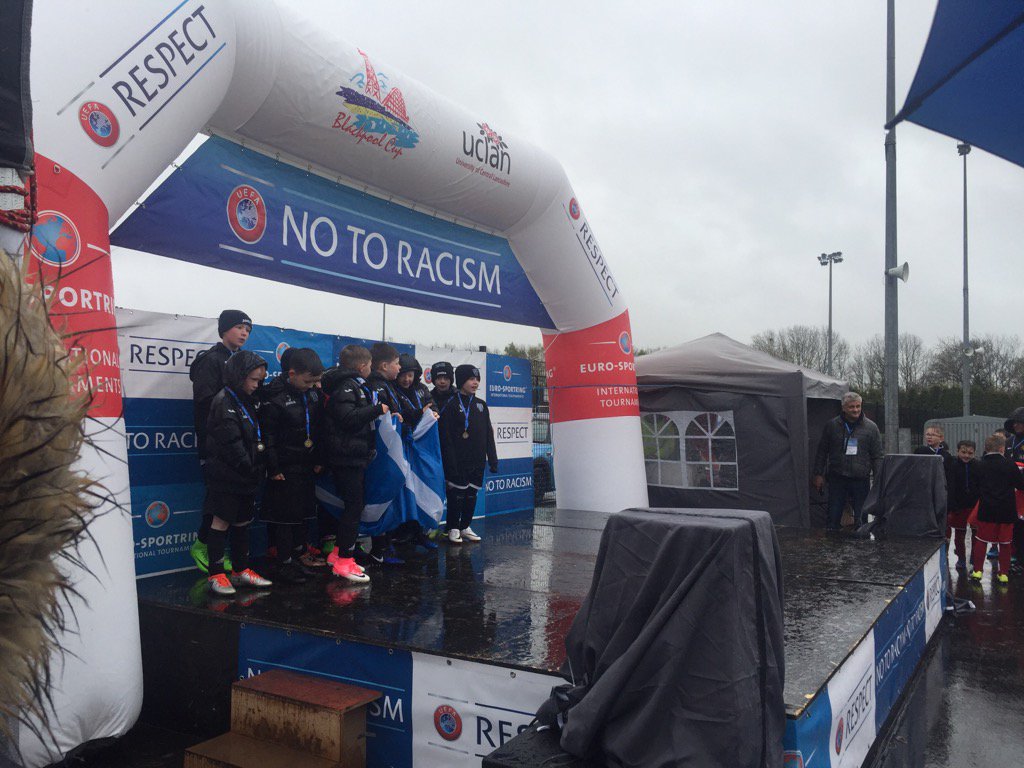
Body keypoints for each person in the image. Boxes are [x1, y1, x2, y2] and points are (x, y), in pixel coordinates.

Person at [202, 351, 273, 595]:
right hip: (227, 475)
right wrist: (250, 467)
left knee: (243, 520)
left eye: (259, 380)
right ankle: (216, 574)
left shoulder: (248, 399)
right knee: (221, 521)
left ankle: (241, 570)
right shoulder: (224, 401)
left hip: (247, 475)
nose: (256, 385)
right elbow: (231, 443)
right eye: (253, 380)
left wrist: (256, 468)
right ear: (238, 375)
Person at [189, 309, 252, 573]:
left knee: (233, 504)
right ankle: (202, 546)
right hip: (215, 444)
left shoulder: (241, 361)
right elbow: (205, 401)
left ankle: (223, 554)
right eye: (239, 327)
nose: (244, 333)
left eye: (248, 330)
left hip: (237, 443)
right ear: (224, 329)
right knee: (217, 500)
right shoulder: (211, 360)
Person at [259, 348, 325, 584]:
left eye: (315, 381)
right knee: (285, 518)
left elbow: (318, 428)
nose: (311, 386)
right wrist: (273, 467)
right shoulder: (275, 397)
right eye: (307, 381)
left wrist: (319, 459)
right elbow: (268, 437)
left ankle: (299, 556)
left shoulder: (313, 395)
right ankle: (284, 563)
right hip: (284, 468)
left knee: (303, 513)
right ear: (292, 374)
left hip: (306, 464)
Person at [319, 344, 382, 584]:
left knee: (355, 505)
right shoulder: (346, 386)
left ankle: (338, 553)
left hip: (354, 455)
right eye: (370, 366)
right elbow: (347, 419)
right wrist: (377, 410)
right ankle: (345, 561)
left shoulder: (356, 385)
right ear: (363, 366)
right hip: (346, 457)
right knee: (353, 507)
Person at [440, 364, 498, 543]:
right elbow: (446, 437)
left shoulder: (481, 405)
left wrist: (493, 458)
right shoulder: (450, 404)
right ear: (461, 380)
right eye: (471, 379)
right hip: (458, 461)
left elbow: (488, 433)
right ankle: (453, 527)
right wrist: (450, 462)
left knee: (472, 494)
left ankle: (465, 526)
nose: (475, 383)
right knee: (456, 495)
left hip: (477, 460)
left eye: (477, 379)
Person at [812, 392, 883, 530]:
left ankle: (861, 542)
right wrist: (818, 473)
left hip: (860, 479)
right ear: (844, 408)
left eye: (858, 406)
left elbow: (877, 456)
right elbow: (822, 451)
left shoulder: (871, 428)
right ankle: (833, 540)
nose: (856, 410)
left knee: (862, 519)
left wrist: (878, 479)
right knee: (833, 517)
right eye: (851, 407)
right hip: (837, 478)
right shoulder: (832, 426)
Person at [363, 342, 406, 564]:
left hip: (389, 452)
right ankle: (379, 548)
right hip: (381, 454)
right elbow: (378, 418)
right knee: (381, 496)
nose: (400, 368)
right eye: (396, 364)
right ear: (384, 365)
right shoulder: (376, 386)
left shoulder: (388, 385)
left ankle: (385, 546)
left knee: (389, 496)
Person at [969, 433, 1024, 584]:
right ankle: (1003, 574)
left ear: (986, 448)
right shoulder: (1010, 464)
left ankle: (977, 571)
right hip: (1007, 510)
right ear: (1002, 448)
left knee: (981, 541)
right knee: (1005, 544)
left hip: (986, 508)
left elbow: (974, 486)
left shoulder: (979, 465)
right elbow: (1020, 485)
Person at [946, 440, 980, 571]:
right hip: (958, 506)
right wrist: (952, 505)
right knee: (959, 535)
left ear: (974, 453)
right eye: (963, 452)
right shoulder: (953, 465)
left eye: (970, 453)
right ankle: (961, 558)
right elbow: (950, 486)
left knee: (976, 533)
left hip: (974, 505)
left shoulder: (978, 466)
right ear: (957, 451)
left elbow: (981, 485)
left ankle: (974, 557)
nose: (966, 456)